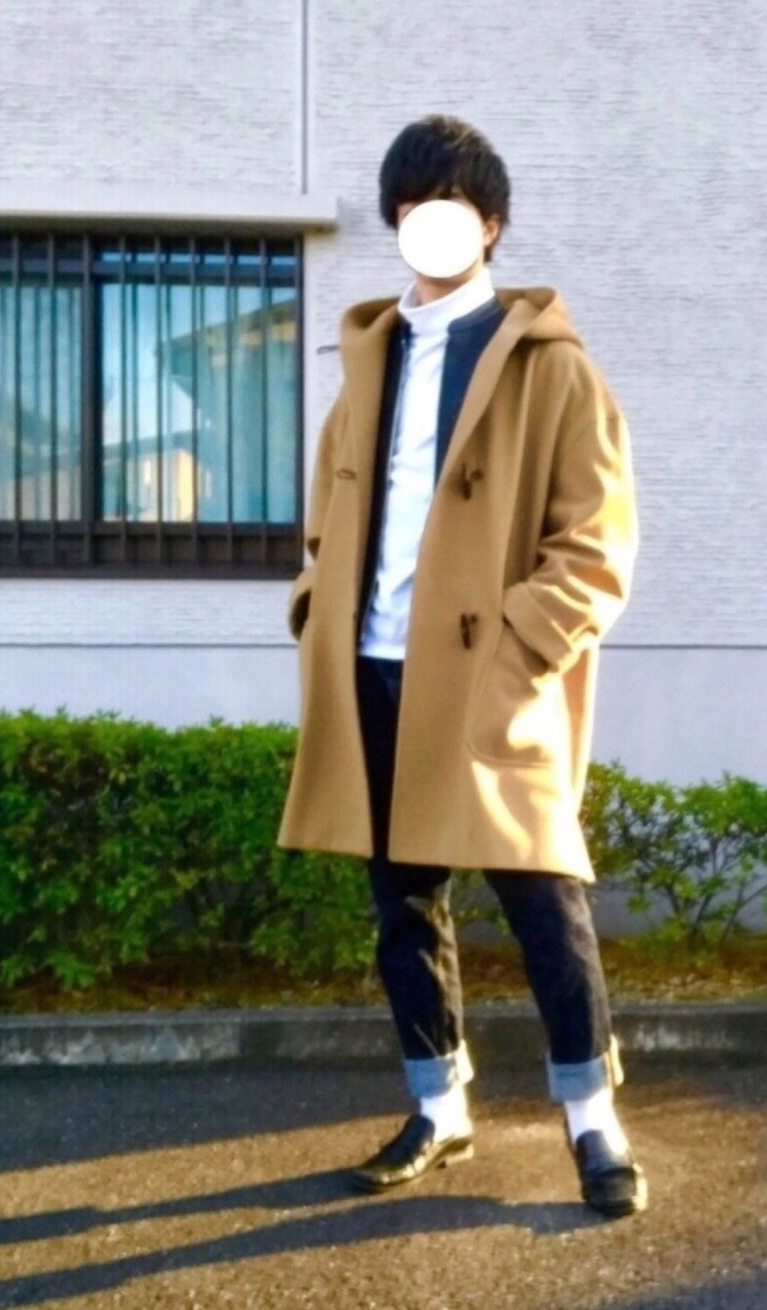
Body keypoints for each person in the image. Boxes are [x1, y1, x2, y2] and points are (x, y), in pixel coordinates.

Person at [276, 113, 647, 1218]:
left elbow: (597, 542)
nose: (428, 225)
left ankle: (593, 1120)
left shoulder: (552, 368)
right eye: (409, 209)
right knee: (403, 908)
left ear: (488, 224)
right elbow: (325, 519)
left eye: (449, 206)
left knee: (545, 900)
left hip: (492, 678)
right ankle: (438, 1109)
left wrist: (525, 647)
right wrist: (315, 605)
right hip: (374, 669)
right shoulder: (369, 360)